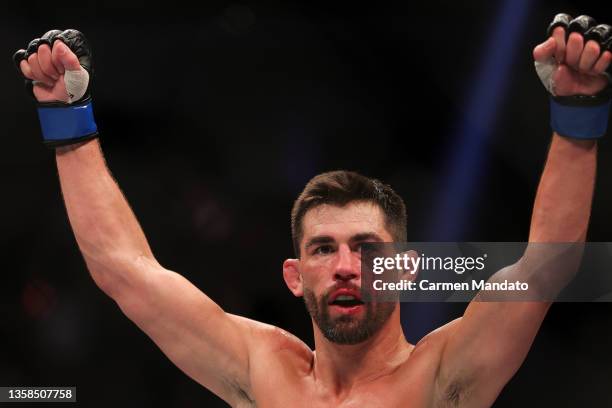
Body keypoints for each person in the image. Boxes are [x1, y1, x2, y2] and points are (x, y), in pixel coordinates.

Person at [13, 13, 611, 407]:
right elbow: (123, 268)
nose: (348, 266)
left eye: (368, 249)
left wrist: (576, 118)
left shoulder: (443, 378)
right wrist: (69, 121)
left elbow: (548, 267)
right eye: (324, 249)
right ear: (294, 277)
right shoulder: (261, 370)